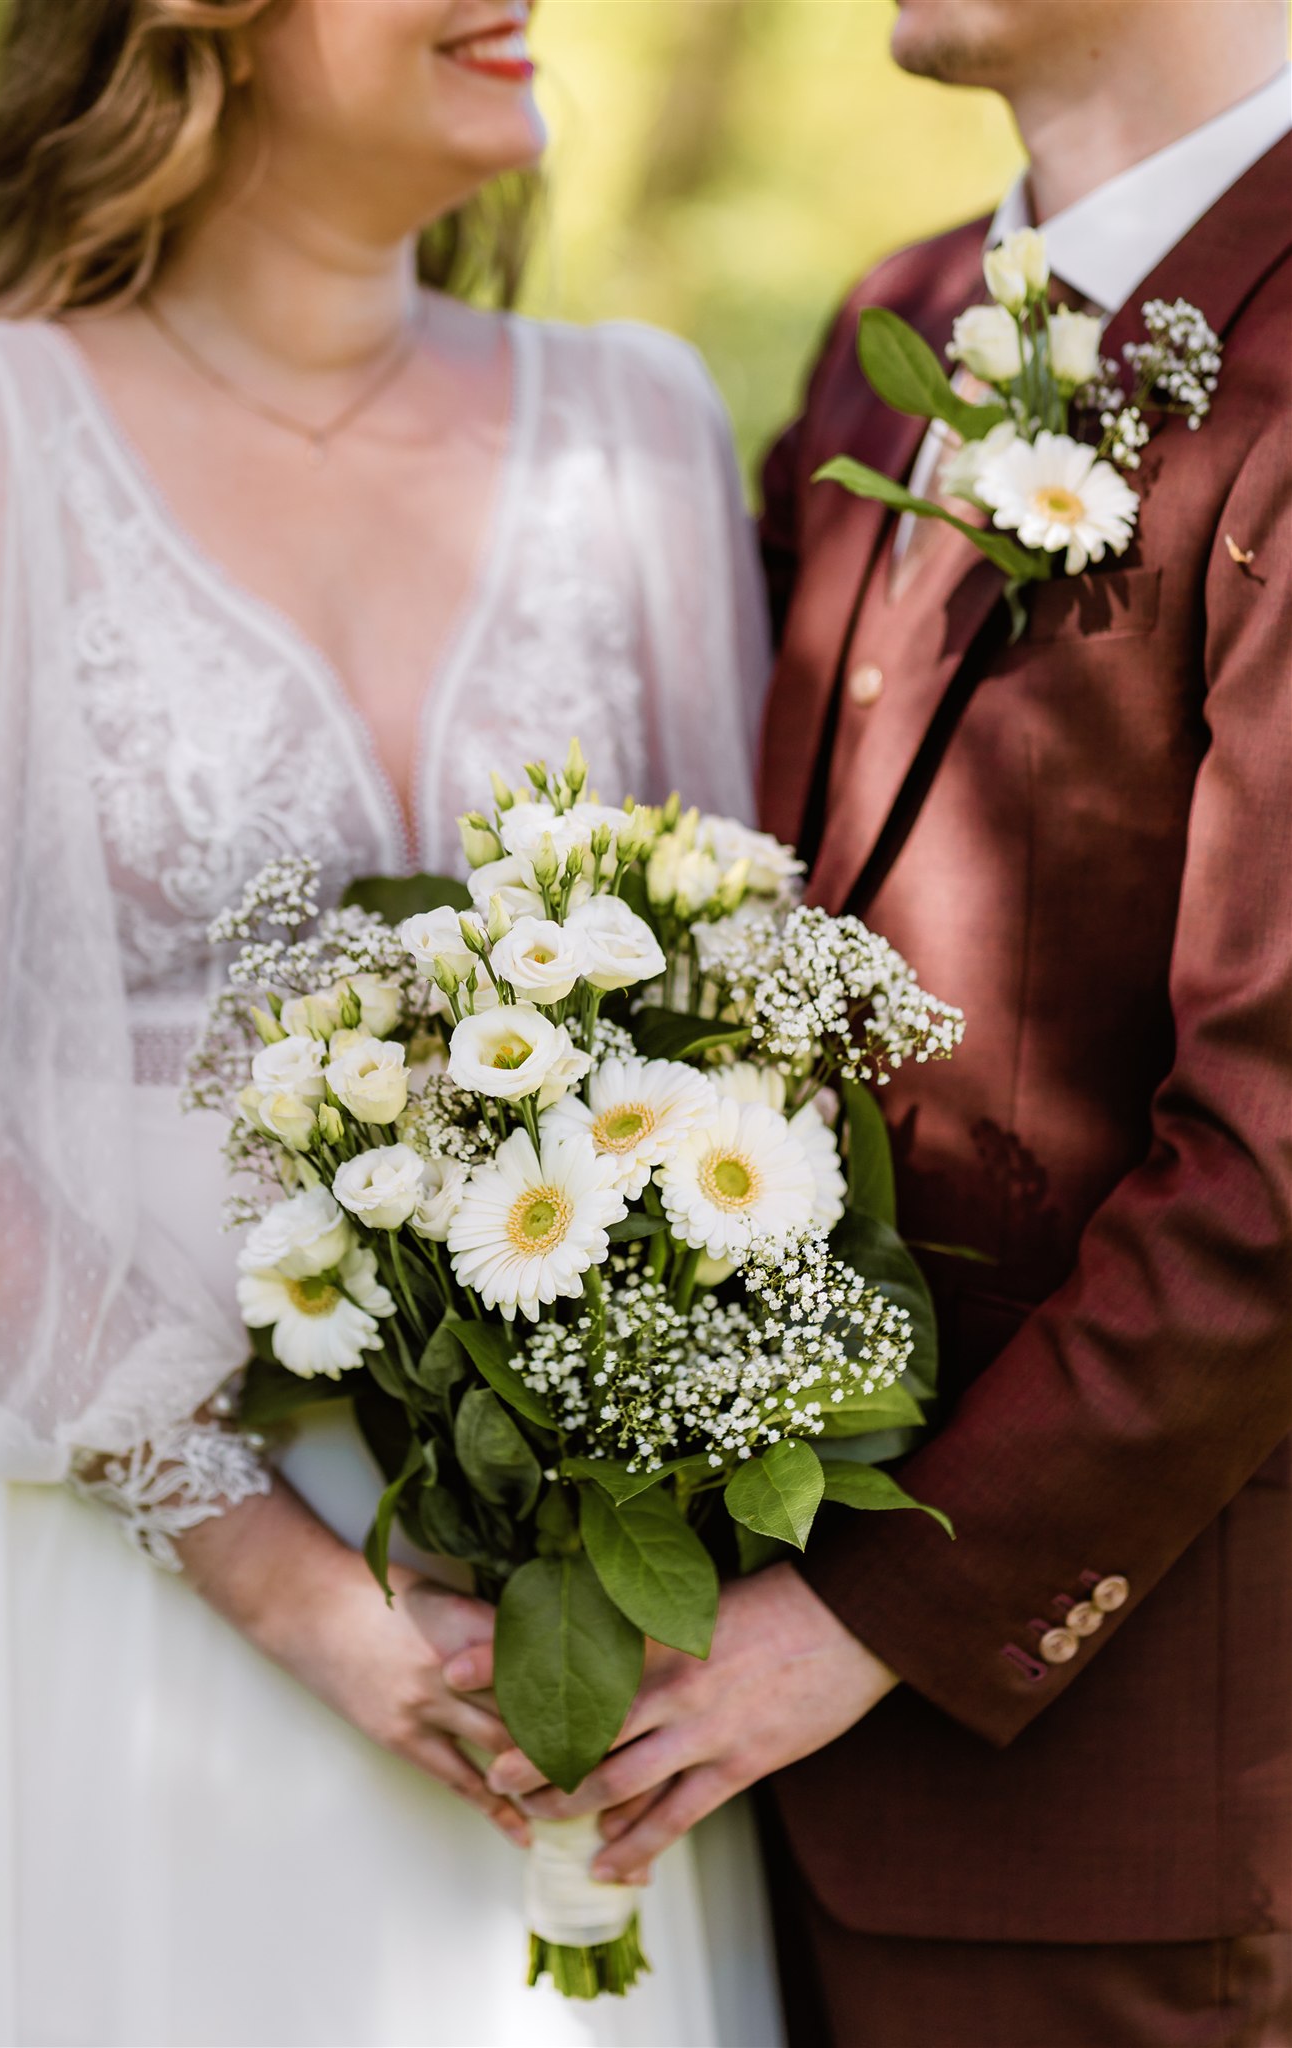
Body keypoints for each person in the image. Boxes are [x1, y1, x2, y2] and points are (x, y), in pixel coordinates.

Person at [0, 3, 783, 2043]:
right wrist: (282, 1585)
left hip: (582, 1635)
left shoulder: (634, 423)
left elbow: (747, 1035)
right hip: (120, 1600)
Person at [479, 4, 1292, 2042]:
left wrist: (871, 1616)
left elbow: (1277, 1152)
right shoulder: (897, 325)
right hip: (767, 1781)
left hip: (1136, 1793)